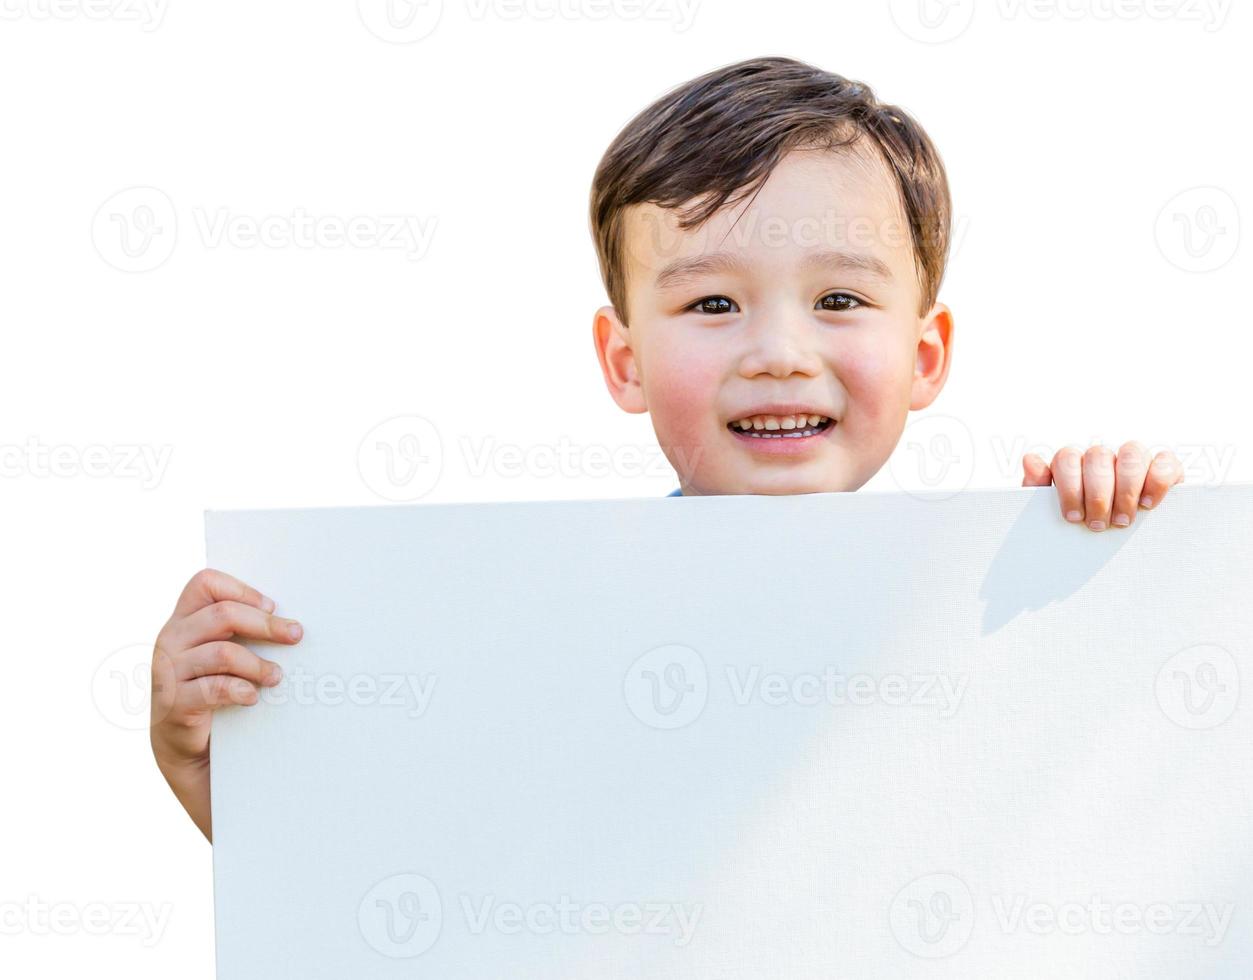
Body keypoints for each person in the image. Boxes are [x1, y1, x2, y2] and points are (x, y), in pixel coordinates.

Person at [150, 55, 1184, 840]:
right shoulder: (522, 634)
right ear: (625, 359)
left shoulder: (999, 599)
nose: (779, 352)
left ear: (925, 354)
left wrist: (1106, 556)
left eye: (838, 298)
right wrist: (225, 768)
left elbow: (1098, 824)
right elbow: (426, 866)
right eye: (713, 302)